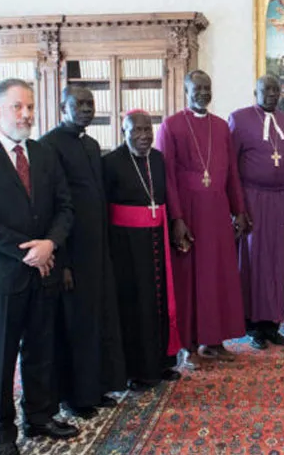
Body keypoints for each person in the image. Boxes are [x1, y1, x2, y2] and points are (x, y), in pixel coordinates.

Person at [0, 79, 77, 455]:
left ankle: (39, 417)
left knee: (41, 350)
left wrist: (50, 244)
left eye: (29, 107)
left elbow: (65, 208)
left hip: (45, 273)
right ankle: (1, 432)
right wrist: (30, 252)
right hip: (2, 277)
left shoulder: (43, 154)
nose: (26, 114)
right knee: (2, 358)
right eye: (17, 107)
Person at [40, 86, 126, 418]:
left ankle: (97, 388)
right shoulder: (49, 145)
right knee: (76, 326)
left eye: (90, 104)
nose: (86, 109)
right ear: (63, 106)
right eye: (79, 104)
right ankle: (75, 398)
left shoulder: (91, 144)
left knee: (100, 320)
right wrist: (62, 262)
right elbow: (52, 207)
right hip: (71, 255)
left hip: (98, 251)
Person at [155, 70, 249, 367]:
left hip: (218, 212)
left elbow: (232, 172)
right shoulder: (171, 126)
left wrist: (240, 210)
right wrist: (177, 218)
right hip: (189, 214)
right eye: (196, 88)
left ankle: (214, 341)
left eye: (207, 88)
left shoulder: (221, 127)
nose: (202, 93)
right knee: (190, 281)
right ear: (186, 90)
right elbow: (166, 176)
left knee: (218, 278)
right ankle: (188, 347)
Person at [103, 110, 183, 391]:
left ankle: (162, 362)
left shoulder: (158, 159)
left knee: (160, 300)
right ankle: (137, 370)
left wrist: (175, 224)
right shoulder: (111, 162)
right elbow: (104, 209)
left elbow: (164, 197)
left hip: (156, 239)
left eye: (147, 130)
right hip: (126, 246)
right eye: (136, 130)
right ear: (124, 132)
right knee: (134, 305)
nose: (143, 136)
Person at [229, 75, 284, 350]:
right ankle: (252, 325)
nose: (271, 94)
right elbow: (231, 167)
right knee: (252, 261)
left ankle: (271, 324)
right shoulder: (239, 118)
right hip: (251, 198)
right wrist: (237, 208)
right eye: (265, 89)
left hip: (278, 199)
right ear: (254, 91)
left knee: (275, 261)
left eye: (275, 90)